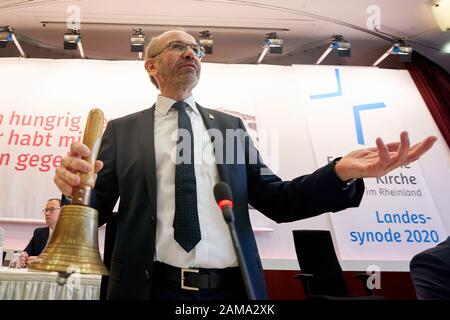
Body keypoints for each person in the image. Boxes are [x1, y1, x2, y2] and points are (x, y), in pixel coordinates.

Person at [53, 30, 437, 300]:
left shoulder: (229, 127)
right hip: (148, 288)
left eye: (197, 49)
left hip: (231, 291)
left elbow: (278, 199)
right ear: (151, 67)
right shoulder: (122, 130)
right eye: (177, 46)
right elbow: (91, 210)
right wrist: (73, 190)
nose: (192, 54)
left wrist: (339, 173)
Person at [20, 198, 61, 267]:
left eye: (52, 209)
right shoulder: (39, 233)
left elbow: (69, 261)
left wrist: (43, 261)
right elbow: (26, 254)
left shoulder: (70, 235)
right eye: (46, 210)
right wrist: (23, 258)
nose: (47, 213)